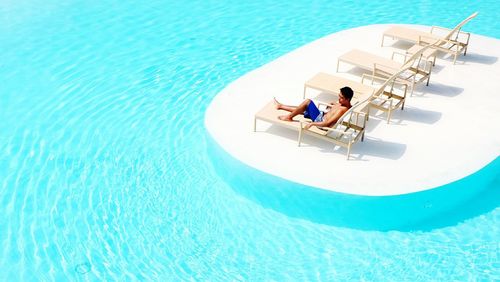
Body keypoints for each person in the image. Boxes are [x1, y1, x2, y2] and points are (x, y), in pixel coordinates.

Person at [274, 86, 354, 130]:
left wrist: (312, 124)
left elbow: (327, 123)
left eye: (341, 97)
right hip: (321, 115)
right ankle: (280, 106)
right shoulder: (347, 105)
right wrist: (333, 104)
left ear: (347, 99)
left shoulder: (341, 110)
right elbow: (340, 105)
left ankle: (288, 117)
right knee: (303, 109)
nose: (338, 99)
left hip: (320, 121)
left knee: (307, 102)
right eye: (339, 96)